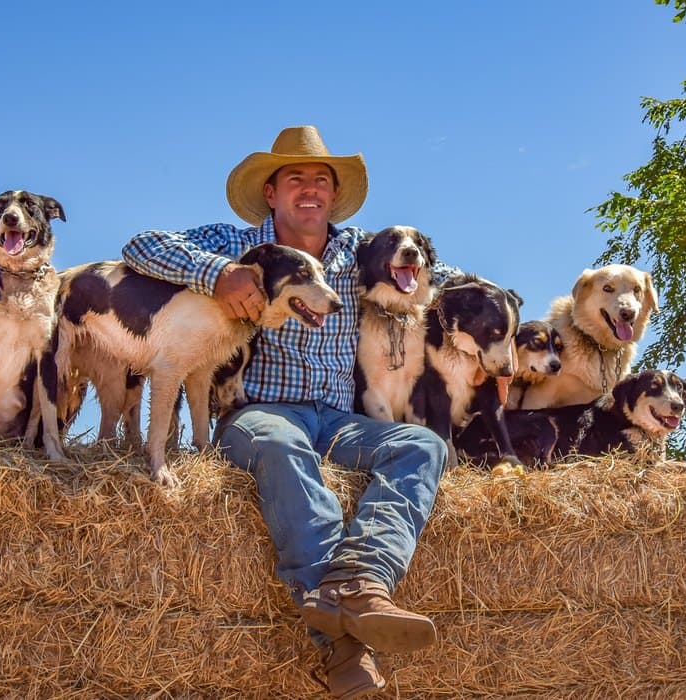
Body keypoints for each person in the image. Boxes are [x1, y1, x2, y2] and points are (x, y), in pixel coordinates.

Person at [121, 125, 453, 699]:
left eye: (321, 180)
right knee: (279, 446)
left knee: (422, 445)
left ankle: (362, 577)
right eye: (294, 178)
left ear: (333, 196)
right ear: (270, 193)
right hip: (259, 412)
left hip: (341, 418)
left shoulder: (362, 253)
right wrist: (220, 275)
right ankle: (347, 643)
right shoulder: (236, 244)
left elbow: (438, 274)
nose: (310, 189)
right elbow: (141, 245)